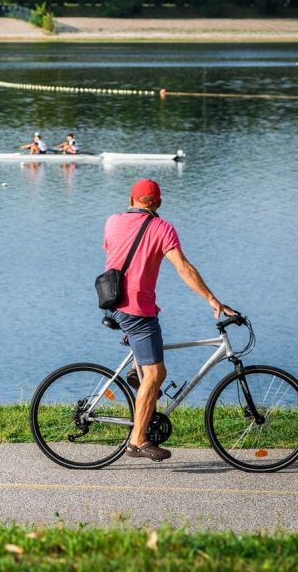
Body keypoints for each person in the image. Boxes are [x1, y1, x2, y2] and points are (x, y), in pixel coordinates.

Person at [102, 179, 235, 462]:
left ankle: (138, 375)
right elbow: (183, 268)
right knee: (156, 375)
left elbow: (116, 252)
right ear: (158, 203)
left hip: (112, 304)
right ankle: (137, 440)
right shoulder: (163, 228)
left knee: (148, 368)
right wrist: (212, 299)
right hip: (137, 311)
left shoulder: (112, 221)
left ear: (131, 199)